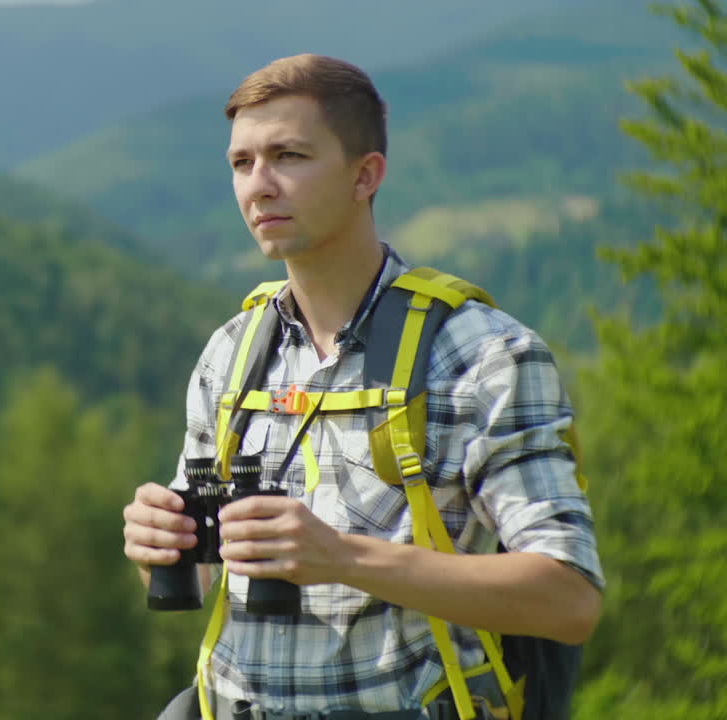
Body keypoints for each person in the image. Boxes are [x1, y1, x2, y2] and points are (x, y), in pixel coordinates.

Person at [121, 54, 604, 720]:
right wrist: (162, 545)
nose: (258, 187)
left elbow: (569, 599)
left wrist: (344, 557)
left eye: (289, 156)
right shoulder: (233, 353)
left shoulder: (482, 354)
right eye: (242, 163)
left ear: (365, 175)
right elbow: (199, 578)